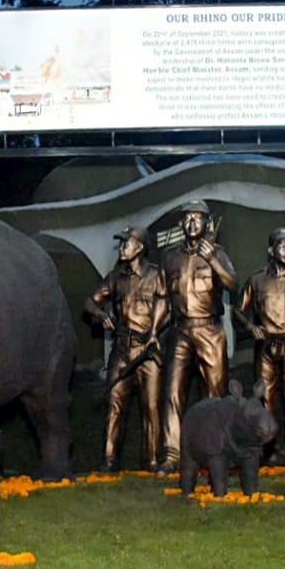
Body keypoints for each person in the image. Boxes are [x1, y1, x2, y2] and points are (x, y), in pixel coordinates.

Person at [158, 200, 237, 474]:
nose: (193, 223)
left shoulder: (217, 252)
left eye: (198, 218)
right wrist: (153, 332)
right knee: (172, 393)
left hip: (210, 330)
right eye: (188, 218)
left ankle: (217, 452)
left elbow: (232, 283)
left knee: (216, 395)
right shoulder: (169, 256)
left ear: (207, 223)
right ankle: (171, 455)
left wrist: (212, 259)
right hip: (179, 330)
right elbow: (164, 299)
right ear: (182, 224)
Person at [84, 226, 169, 472]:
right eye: (121, 243)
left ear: (140, 247)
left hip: (148, 351)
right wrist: (100, 315)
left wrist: (154, 332)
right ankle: (109, 462)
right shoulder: (115, 277)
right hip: (121, 349)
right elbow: (89, 302)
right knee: (114, 404)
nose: (122, 247)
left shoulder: (156, 275)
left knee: (151, 407)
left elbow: (168, 307)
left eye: (126, 242)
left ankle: (151, 461)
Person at [235, 227, 285, 467]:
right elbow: (237, 310)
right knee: (266, 401)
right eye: (282, 245)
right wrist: (250, 327)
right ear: (271, 250)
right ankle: (273, 450)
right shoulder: (257, 279)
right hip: (265, 347)